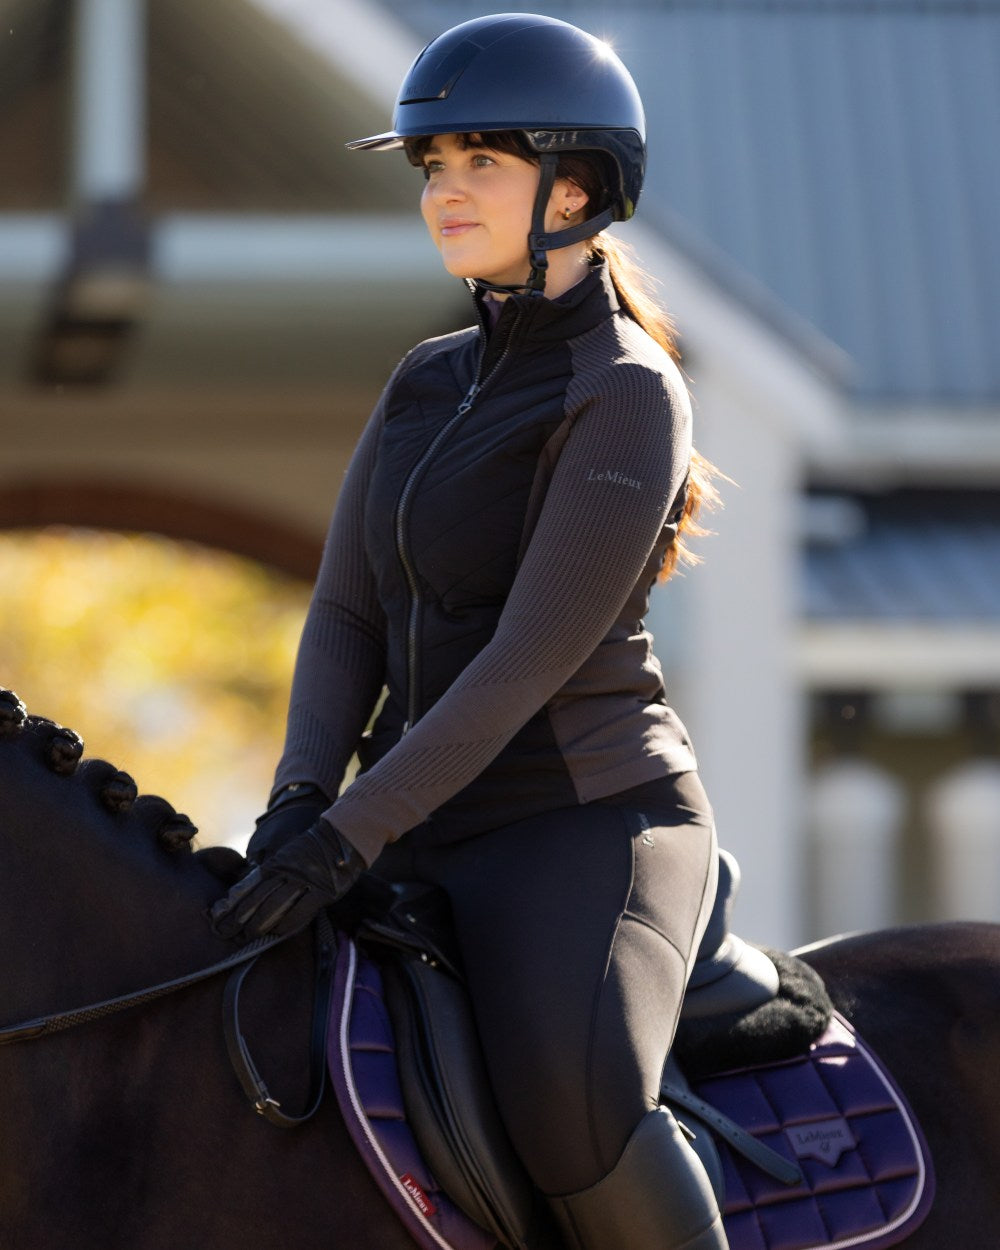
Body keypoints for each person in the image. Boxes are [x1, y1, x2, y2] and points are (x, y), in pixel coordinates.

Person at [212, 13, 729, 1250]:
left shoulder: (626, 389)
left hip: (581, 821)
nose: (444, 189)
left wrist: (344, 834)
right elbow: (346, 608)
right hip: (410, 817)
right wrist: (297, 797)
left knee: (572, 1116)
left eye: (481, 161)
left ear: (576, 187)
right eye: (432, 165)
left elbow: (523, 662)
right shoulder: (423, 379)